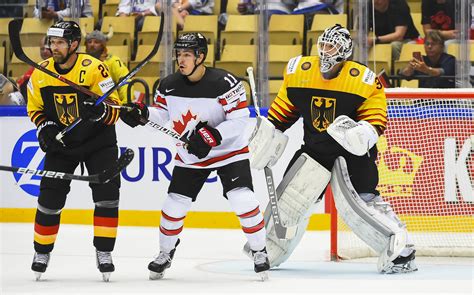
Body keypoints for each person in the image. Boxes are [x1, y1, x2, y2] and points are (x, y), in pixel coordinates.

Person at [250, 24, 417, 274]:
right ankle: (271, 248)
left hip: (352, 153)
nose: (326, 51)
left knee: (361, 205)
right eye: (324, 45)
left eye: (333, 46)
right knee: (289, 201)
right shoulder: (300, 72)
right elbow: (283, 111)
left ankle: (402, 251)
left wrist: (363, 133)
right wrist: (267, 133)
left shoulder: (363, 79)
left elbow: (376, 120)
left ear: (345, 51)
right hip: (315, 149)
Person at [119, 32, 270, 280]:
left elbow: (240, 120)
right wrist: (142, 113)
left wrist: (211, 137)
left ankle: (259, 250)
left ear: (200, 56)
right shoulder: (168, 84)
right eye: (179, 54)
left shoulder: (225, 82)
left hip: (229, 153)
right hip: (191, 155)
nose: (181, 59)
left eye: (187, 54)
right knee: (173, 205)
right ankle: (165, 253)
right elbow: (162, 115)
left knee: (243, 199)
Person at [27, 21, 122, 282]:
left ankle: (104, 252)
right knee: (49, 200)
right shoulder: (41, 72)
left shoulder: (94, 68)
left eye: (58, 43)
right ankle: (41, 252)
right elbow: (35, 108)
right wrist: (44, 127)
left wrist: (101, 110)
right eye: (51, 42)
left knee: (107, 197)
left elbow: (115, 107)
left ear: (73, 44)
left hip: (98, 142)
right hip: (63, 142)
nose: (53, 48)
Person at [85, 30, 134, 103]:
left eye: (96, 42)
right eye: (89, 42)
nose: (92, 44)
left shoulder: (113, 61)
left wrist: (126, 103)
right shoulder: (82, 62)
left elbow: (125, 81)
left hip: (110, 103)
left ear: (103, 45)